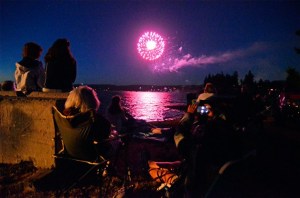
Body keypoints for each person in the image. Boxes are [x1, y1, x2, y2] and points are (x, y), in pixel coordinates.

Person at [174, 100, 241, 196]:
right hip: (217, 180)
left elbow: (180, 140)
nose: (204, 111)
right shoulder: (229, 131)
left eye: (207, 109)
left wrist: (188, 116)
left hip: (197, 186)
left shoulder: (201, 145)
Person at [63, 85, 112, 158]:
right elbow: (103, 144)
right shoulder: (99, 122)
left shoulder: (65, 118)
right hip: (91, 159)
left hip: (70, 157)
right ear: (93, 100)